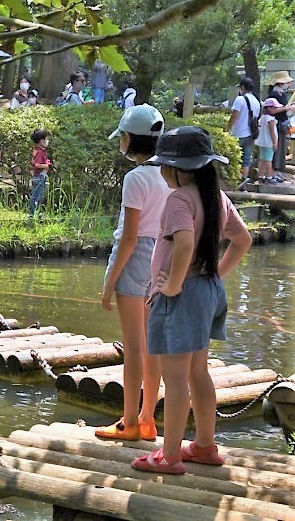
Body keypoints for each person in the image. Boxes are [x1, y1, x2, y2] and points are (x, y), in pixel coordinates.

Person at [131, 126, 251, 475]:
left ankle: (169, 455)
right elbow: (242, 240)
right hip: (207, 292)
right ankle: (204, 445)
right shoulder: (216, 196)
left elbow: (183, 243)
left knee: (175, 379)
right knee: (198, 372)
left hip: (182, 297)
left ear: (178, 169)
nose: (162, 172)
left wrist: (172, 286)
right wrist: (214, 275)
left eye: (164, 166)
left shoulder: (180, 199)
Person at [96, 104, 170, 442]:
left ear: (128, 139)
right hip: (163, 257)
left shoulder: (135, 178)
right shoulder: (170, 174)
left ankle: (128, 422)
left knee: (134, 346)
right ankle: (148, 419)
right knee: (152, 344)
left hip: (136, 257)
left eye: (122, 136)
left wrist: (109, 283)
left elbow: (128, 238)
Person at [226, 76, 261, 186]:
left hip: (238, 133)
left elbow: (235, 116)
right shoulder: (256, 101)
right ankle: (243, 181)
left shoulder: (240, 99)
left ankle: (234, 180)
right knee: (246, 159)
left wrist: (228, 129)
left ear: (243, 87)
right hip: (251, 134)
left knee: (234, 158)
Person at [266, 70, 295, 174]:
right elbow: (271, 110)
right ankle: (273, 171)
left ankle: (278, 169)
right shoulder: (274, 94)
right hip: (275, 124)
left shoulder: (282, 93)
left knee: (281, 147)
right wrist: (287, 108)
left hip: (282, 123)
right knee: (276, 147)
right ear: (281, 83)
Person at [257, 98, 280, 184]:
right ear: (269, 108)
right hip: (269, 142)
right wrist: (275, 142)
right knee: (268, 160)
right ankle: (269, 177)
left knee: (262, 159)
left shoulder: (263, 117)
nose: (276, 109)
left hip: (262, 142)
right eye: (275, 107)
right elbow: (272, 132)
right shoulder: (270, 119)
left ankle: (260, 176)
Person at [29, 129, 50, 216]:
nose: (47, 141)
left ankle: (36, 212)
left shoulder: (37, 151)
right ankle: (33, 213)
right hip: (39, 177)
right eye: (46, 139)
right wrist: (46, 166)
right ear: (42, 141)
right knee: (37, 196)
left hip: (39, 176)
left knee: (39, 195)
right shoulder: (40, 152)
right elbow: (37, 164)